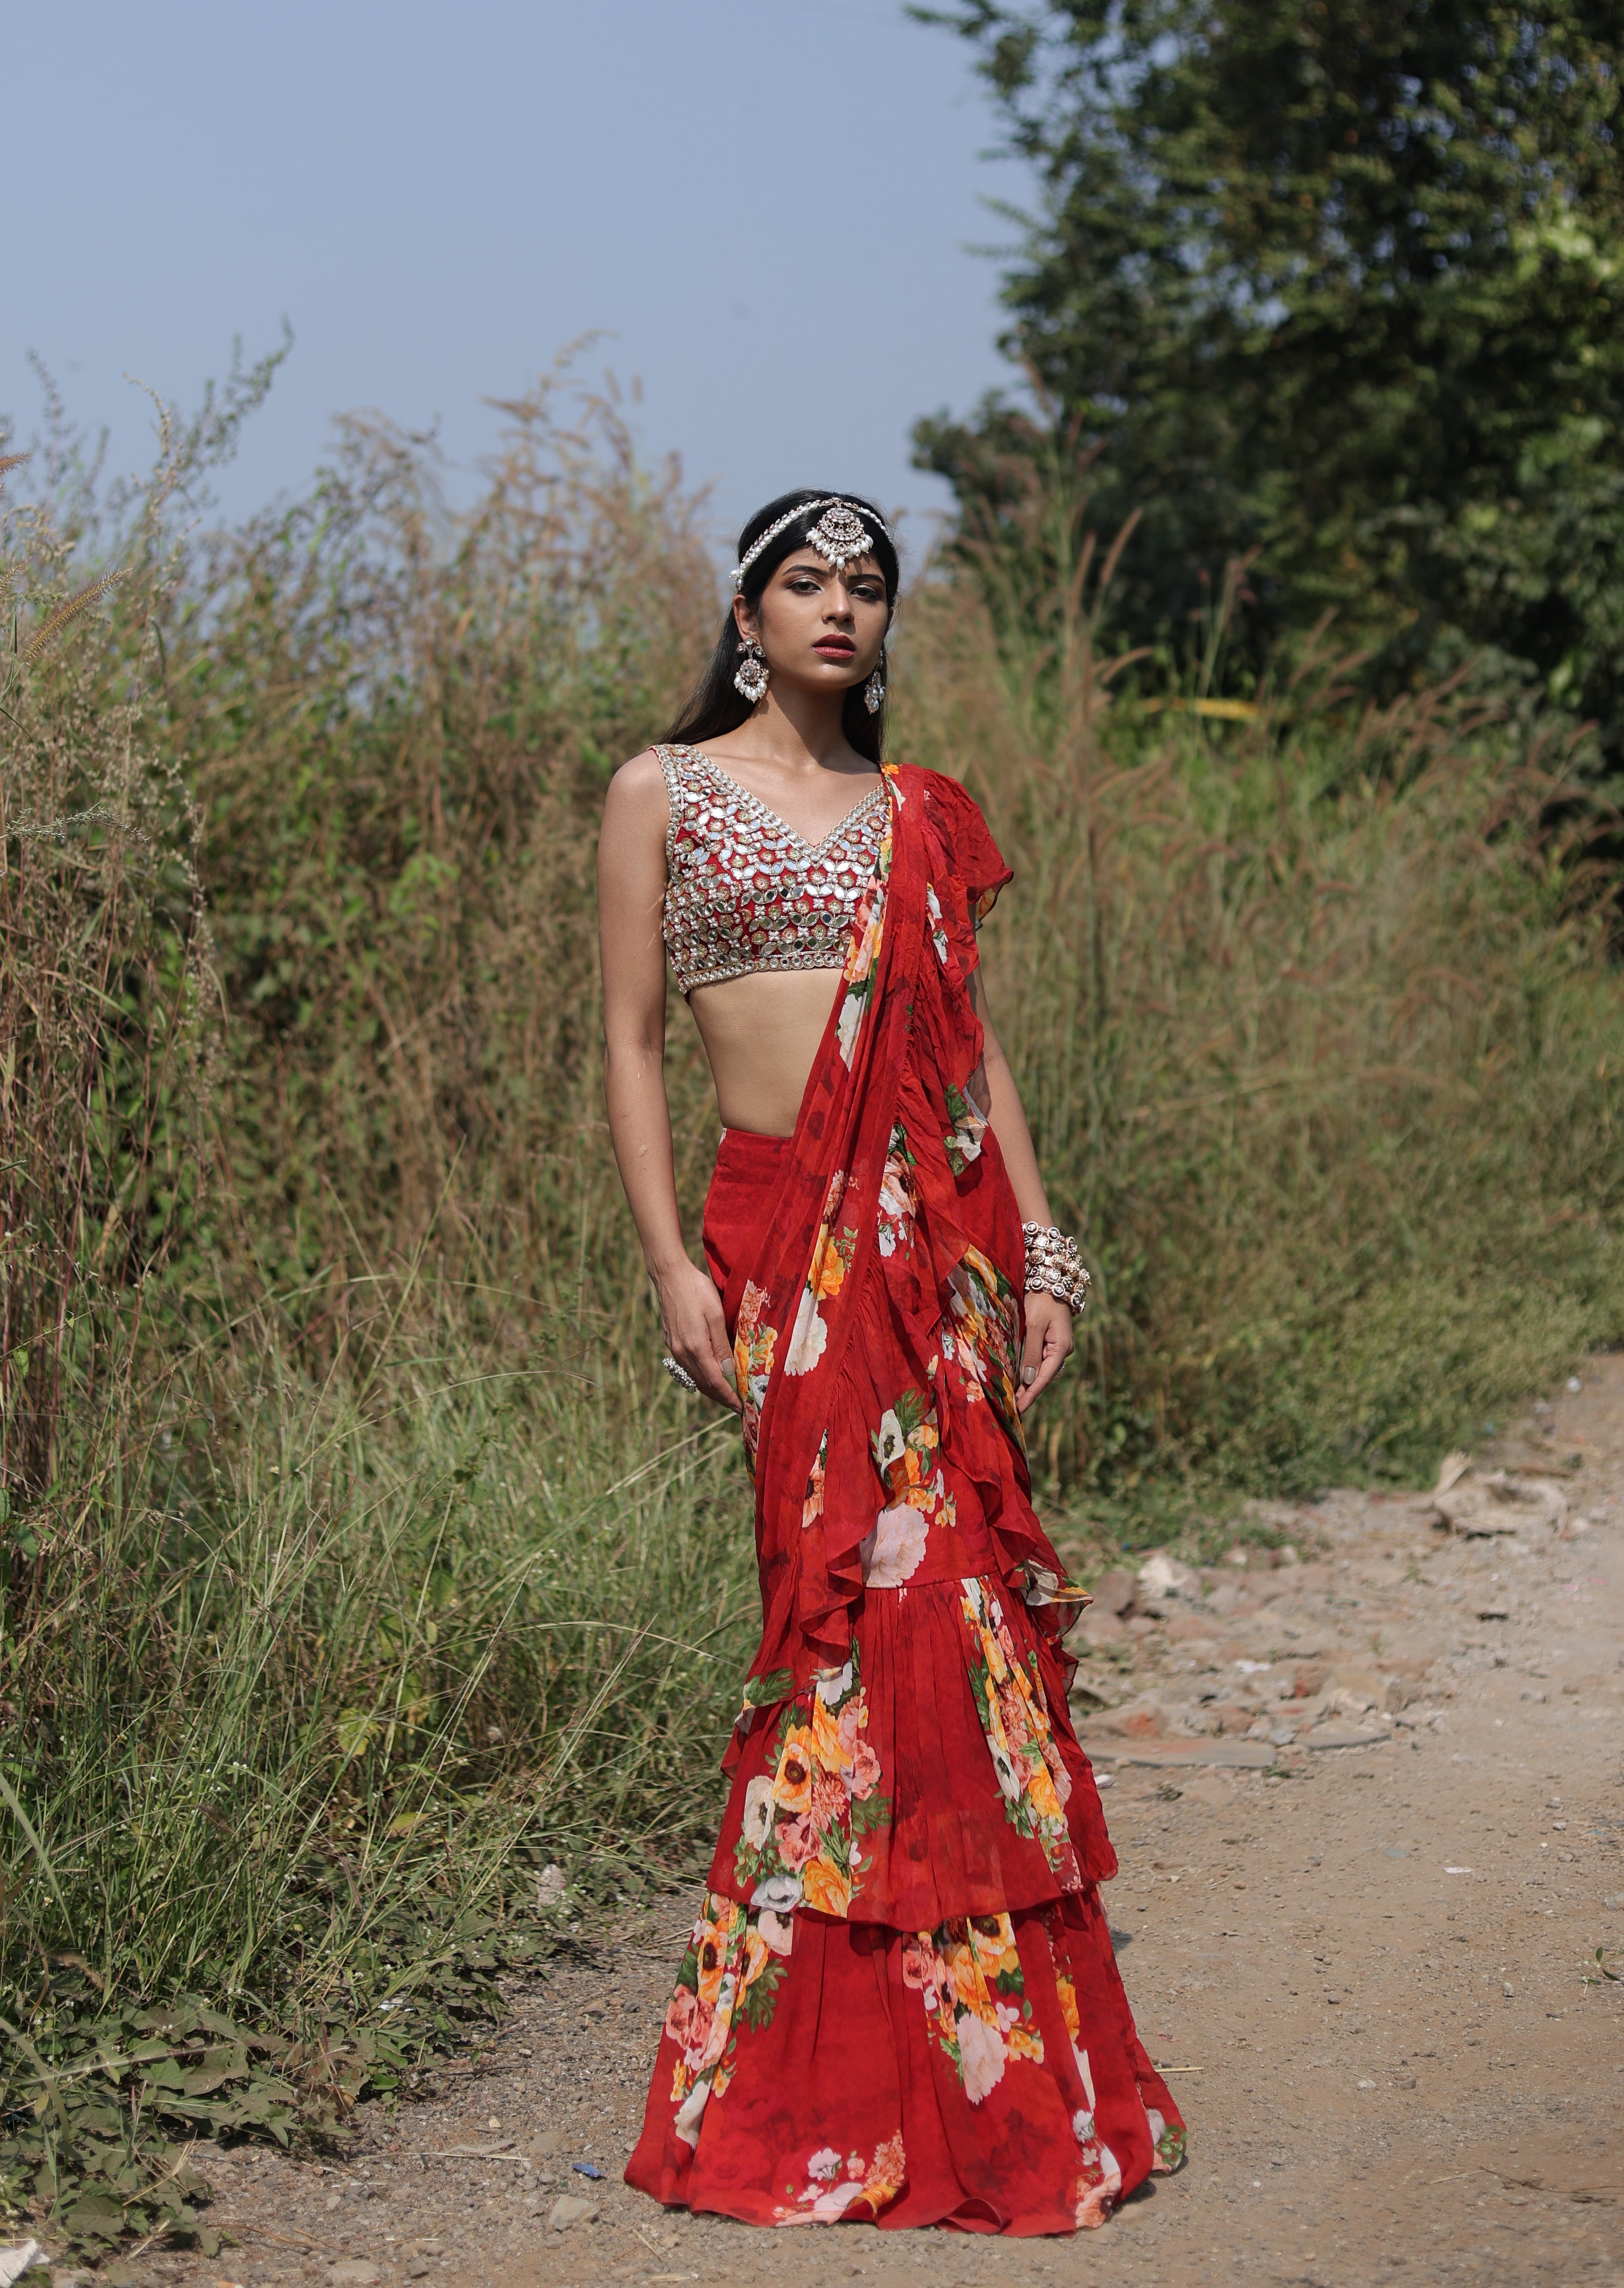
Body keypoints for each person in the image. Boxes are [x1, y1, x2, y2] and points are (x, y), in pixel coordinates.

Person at [598, 490, 1183, 2234]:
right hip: (775, 1239)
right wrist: (668, 1272)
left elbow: (965, 1047)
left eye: (867, 585)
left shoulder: (914, 812)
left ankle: (996, 2085)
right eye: (806, 581)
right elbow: (629, 1042)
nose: (839, 608)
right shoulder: (662, 791)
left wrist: (1040, 1243)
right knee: (833, 1619)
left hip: (932, 1250)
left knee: (961, 1629)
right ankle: (804, 2080)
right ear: (748, 612)